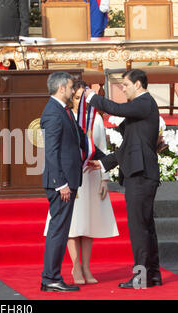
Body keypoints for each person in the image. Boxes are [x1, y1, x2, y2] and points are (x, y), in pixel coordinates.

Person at [85, 69, 162, 289]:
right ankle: (152, 275)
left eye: (126, 85)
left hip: (142, 175)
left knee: (139, 229)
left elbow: (116, 108)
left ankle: (141, 277)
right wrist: (102, 163)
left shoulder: (144, 102)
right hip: (140, 173)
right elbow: (128, 147)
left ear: (138, 84)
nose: (123, 89)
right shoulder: (139, 109)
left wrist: (91, 96)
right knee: (145, 227)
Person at [43, 80, 119, 285]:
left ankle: (86, 266)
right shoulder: (63, 115)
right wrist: (60, 182)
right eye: (75, 97)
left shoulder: (95, 119)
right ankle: (74, 267)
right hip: (69, 179)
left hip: (90, 175)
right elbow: (52, 151)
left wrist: (105, 178)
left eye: (82, 98)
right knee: (72, 225)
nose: (78, 102)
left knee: (88, 223)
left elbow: (101, 148)